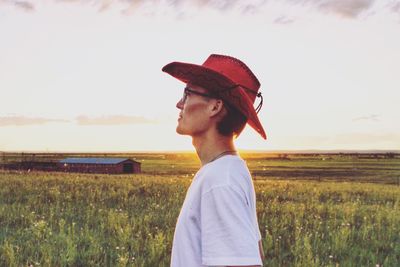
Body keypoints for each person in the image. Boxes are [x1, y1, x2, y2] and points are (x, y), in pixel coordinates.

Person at [162, 54, 267, 267]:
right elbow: (256, 252)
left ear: (215, 107)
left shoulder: (219, 180)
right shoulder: (230, 171)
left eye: (187, 93)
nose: (179, 104)